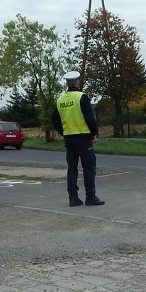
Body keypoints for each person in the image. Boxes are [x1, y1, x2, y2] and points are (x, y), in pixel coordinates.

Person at [51, 71, 105, 207]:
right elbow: (89, 117)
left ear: (66, 83)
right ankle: (90, 197)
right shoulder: (82, 97)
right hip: (83, 137)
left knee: (72, 168)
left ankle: (73, 198)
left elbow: (54, 119)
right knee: (89, 167)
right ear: (77, 82)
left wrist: (63, 132)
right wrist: (93, 133)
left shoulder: (60, 100)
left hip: (69, 139)